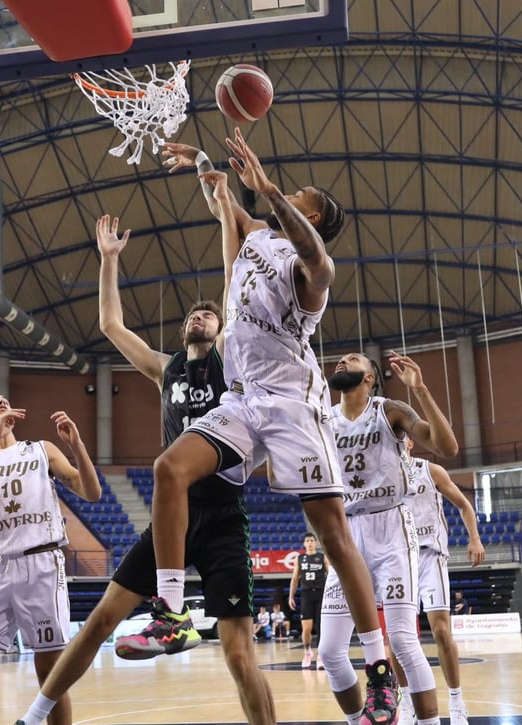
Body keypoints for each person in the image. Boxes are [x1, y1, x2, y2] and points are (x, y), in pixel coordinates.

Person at [142, 128, 399, 724]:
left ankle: (380, 671)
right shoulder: (256, 236)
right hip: (242, 398)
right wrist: (206, 164)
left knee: (332, 532)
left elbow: (319, 260)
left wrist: (271, 191)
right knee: (168, 469)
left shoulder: (312, 274)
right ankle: (173, 614)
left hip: (292, 403)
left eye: (303, 195)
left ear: (310, 213)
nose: (294, 191)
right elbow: (222, 202)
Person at [15, 197, 276, 725]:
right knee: (97, 623)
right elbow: (111, 325)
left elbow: (232, 285)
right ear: (183, 332)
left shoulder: (231, 360)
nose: (200, 316)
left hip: (223, 515)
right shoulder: (166, 369)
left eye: (209, 313)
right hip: (170, 521)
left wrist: (227, 212)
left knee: (238, 654)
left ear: (221, 325)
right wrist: (109, 259)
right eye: (193, 315)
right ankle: (35, 715)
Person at [318, 351, 459, 725]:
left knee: (402, 641)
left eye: (352, 359)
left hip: (391, 529)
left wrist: (422, 390)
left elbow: (447, 447)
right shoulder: (323, 418)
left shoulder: (389, 410)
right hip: (346, 534)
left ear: (370, 377)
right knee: (330, 651)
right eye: (340, 360)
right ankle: (359, 721)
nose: (341, 362)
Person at [0, 397, 101, 725]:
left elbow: (92, 492)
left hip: (40, 564)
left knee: (50, 675)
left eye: (5, 400)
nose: (1, 401)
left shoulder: (41, 448)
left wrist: (77, 446)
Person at [403, 438, 485, 725]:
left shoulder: (431, 470)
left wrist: (474, 537)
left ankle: (456, 700)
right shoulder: (382, 473)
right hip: (398, 559)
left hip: (431, 556)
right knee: (400, 637)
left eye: (401, 435)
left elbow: (463, 505)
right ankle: (405, 701)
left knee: (441, 632)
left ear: (410, 442)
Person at [288, 532, 329, 669]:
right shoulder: (300, 558)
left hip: (321, 594)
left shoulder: (322, 557)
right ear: (304, 544)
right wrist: (291, 596)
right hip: (306, 594)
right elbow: (295, 579)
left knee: (321, 628)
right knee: (306, 628)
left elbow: (330, 575)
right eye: (307, 540)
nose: (310, 542)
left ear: (316, 543)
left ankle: (320, 656)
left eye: (312, 540)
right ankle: (307, 652)